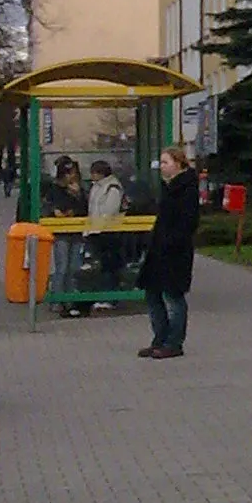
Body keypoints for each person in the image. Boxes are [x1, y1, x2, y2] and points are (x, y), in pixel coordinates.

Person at [137, 146, 199, 357]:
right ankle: (160, 338)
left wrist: (171, 242)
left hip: (175, 252)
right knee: (153, 293)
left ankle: (174, 343)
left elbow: (188, 222)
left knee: (173, 296)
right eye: (161, 163)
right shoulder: (167, 187)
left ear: (178, 164)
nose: (161, 167)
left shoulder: (186, 188)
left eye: (165, 162)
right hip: (158, 249)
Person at [86, 158, 125, 293]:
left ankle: (110, 294)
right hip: (95, 230)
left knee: (108, 265)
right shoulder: (96, 186)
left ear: (101, 173)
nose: (91, 176)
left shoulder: (112, 188)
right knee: (101, 265)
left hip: (108, 231)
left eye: (94, 172)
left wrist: (99, 224)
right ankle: (103, 292)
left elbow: (110, 210)